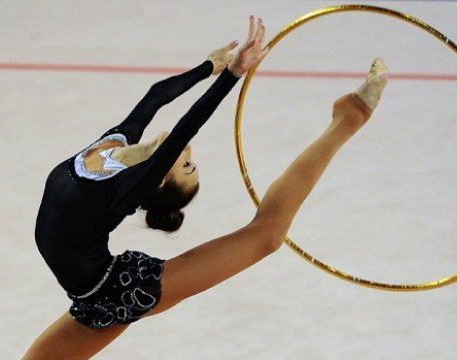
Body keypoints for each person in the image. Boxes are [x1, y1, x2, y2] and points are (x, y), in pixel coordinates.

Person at [24, 15, 388, 359]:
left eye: (185, 166)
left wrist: (232, 75)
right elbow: (155, 96)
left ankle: (350, 116)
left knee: (268, 235)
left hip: (120, 290)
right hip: (89, 299)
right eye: (190, 164)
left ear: (160, 178)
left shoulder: (125, 189)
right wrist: (211, 67)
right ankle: (350, 115)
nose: (188, 153)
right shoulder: (115, 143)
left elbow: (186, 127)